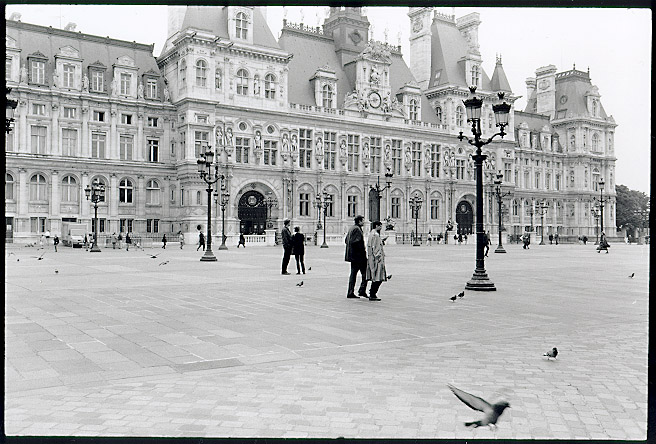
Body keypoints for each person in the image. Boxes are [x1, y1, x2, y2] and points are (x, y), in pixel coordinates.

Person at [345, 215, 368, 299]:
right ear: (359, 221)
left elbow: (346, 240)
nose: (364, 222)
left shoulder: (352, 228)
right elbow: (357, 243)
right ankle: (362, 290)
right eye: (363, 220)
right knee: (365, 273)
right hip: (358, 257)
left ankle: (350, 292)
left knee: (353, 274)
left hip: (353, 256)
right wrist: (363, 255)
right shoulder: (357, 229)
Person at [365, 221, 387, 301]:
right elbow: (376, 248)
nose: (381, 228)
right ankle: (373, 293)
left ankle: (372, 292)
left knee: (375, 276)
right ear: (377, 226)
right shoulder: (376, 235)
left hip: (371, 258)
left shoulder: (371, 234)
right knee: (378, 277)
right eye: (380, 226)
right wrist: (378, 257)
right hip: (377, 259)